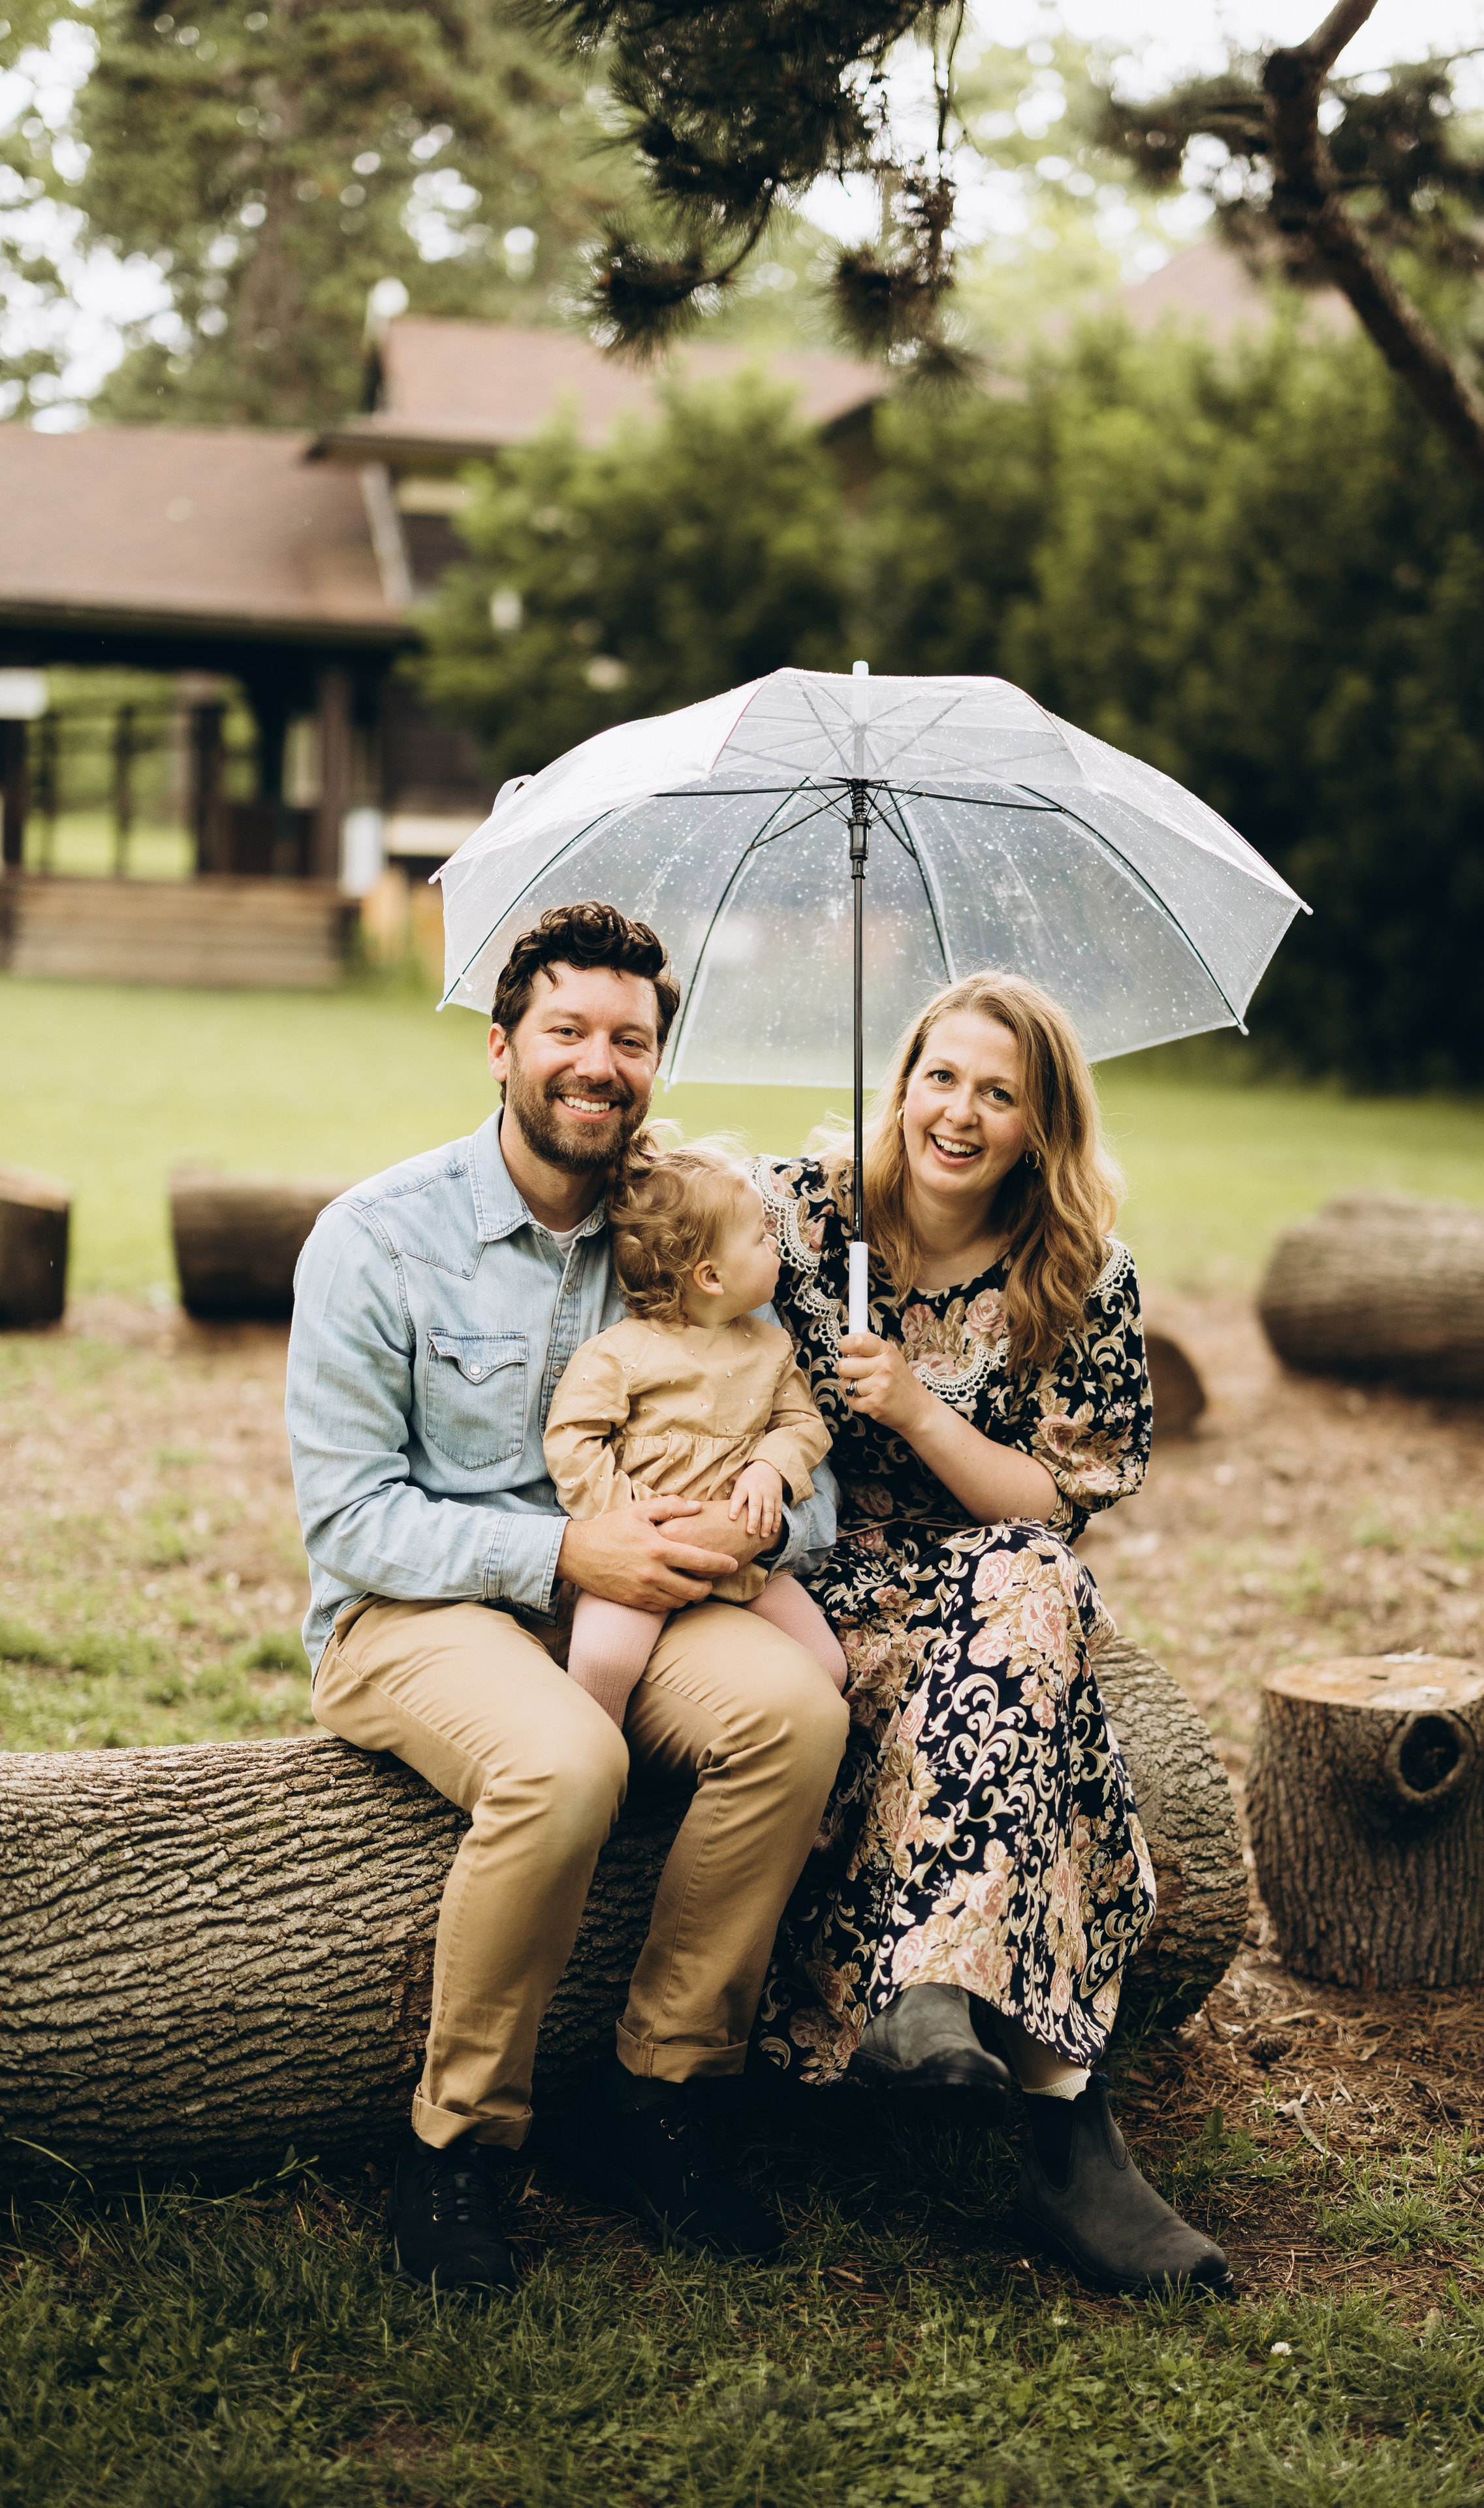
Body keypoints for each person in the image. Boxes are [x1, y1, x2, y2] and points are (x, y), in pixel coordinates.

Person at [285, 900, 849, 2294]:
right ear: (500, 1048)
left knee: (791, 1713)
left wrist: (759, 1508)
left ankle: (657, 2089)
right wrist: (558, 1558)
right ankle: (459, 2141)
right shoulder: (377, 1237)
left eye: (631, 1039)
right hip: (413, 1614)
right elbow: (351, 1521)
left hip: (653, 1603)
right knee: (558, 1755)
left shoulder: (683, 1233)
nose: (599, 1063)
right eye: (568, 1032)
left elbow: (808, 1478)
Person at [753, 971, 1231, 2297]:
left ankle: (932, 1995)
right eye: (938, 1077)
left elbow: (1050, 1503)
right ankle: (1066, 2137)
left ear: (1041, 1126)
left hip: (981, 1573)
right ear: (899, 1080)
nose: (956, 1113)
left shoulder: (1078, 1278)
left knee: (1029, 1586)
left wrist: (910, 1407)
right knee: (1044, 1682)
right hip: (807, 1585)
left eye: (996, 1094)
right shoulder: (803, 1217)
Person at [545, 1142, 849, 1728]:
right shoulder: (622, 1352)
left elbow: (804, 1425)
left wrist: (769, 1469)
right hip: (645, 1553)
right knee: (604, 1657)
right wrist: (625, 1516)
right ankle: (601, 1762)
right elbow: (572, 1439)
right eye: (761, 1237)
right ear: (711, 1276)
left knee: (826, 1665)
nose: (776, 1245)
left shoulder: (770, 1348)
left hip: (742, 1559)